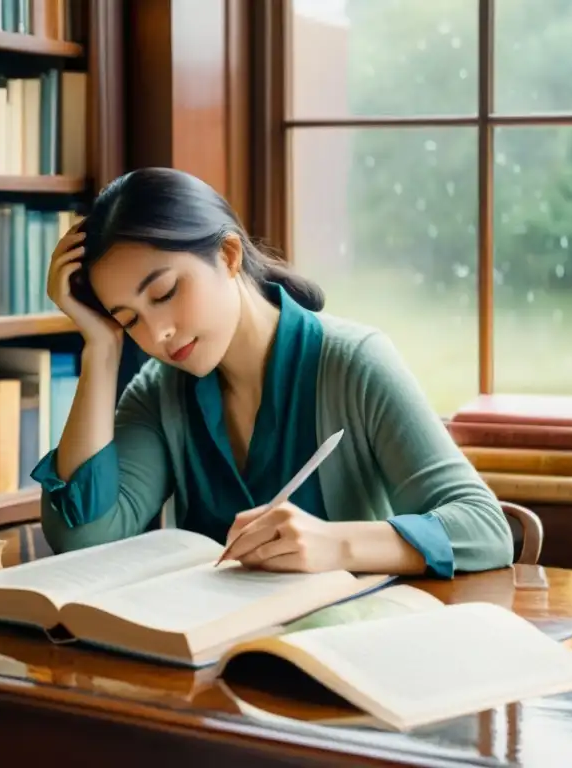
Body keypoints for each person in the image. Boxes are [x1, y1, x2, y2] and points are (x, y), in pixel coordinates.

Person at [32, 167, 514, 577]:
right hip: (211, 664)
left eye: (164, 293)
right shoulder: (158, 394)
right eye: (129, 318)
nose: (157, 333)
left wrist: (336, 545)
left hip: (344, 658)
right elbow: (82, 538)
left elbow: (485, 529)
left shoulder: (354, 363)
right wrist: (99, 347)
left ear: (227, 255)